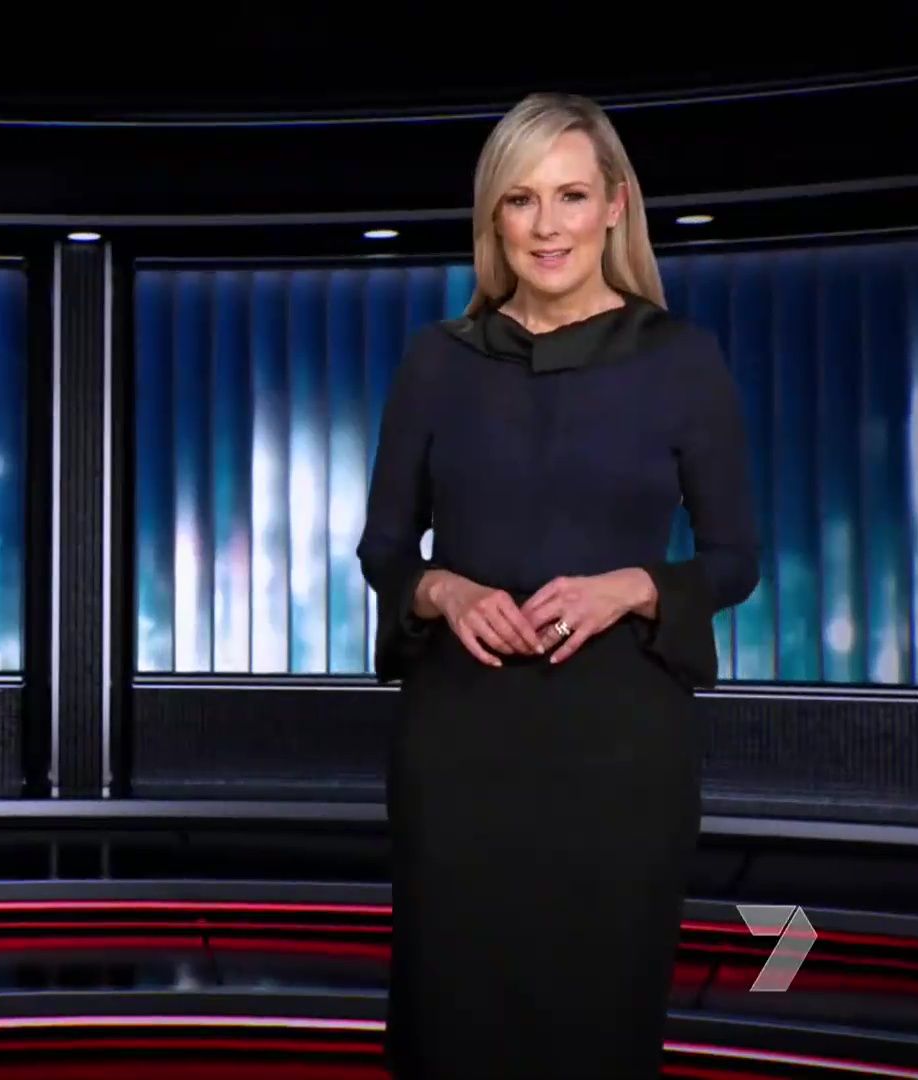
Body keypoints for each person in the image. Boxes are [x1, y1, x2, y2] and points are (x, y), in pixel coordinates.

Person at [358, 92, 761, 1078]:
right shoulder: (436, 362)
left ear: (615, 206)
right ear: (494, 216)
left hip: (619, 760)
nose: (548, 226)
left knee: (598, 1029)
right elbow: (384, 550)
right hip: (460, 752)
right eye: (522, 199)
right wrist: (442, 592)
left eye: (571, 195)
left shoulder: (681, 360)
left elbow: (734, 559)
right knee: (452, 1027)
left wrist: (632, 587)